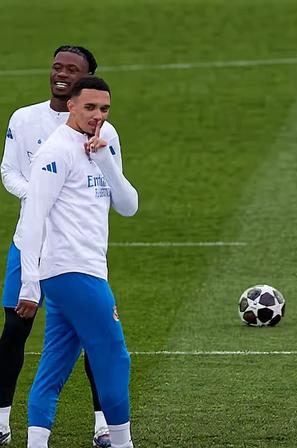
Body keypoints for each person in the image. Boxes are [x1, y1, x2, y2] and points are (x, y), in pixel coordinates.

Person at [0, 45, 119, 448]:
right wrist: (38, 194)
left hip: (74, 254)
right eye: (57, 66)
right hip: (30, 246)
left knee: (88, 341)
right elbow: (8, 169)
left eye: (73, 69)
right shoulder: (26, 119)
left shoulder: (101, 131)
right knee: (16, 330)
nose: (61, 73)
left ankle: (102, 426)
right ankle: (3, 422)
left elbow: (122, 199)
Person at [17, 75, 138, 448]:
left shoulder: (99, 146)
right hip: (71, 271)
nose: (97, 116)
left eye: (104, 109)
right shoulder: (55, 152)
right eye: (90, 107)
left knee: (54, 363)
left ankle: (36, 441)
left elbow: (129, 206)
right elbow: (33, 218)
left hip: (84, 269)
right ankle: (122, 442)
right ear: (71, 106)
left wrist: (105, 159)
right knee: (115, 357)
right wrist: (29, 283)